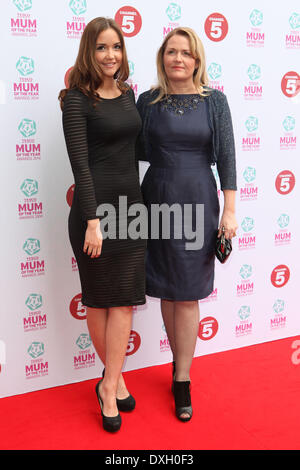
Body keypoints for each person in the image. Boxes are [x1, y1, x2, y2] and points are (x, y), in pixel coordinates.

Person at [136, 27, 238, 422]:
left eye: (186, 53)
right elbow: (131, 150)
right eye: (171, 52)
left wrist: (229, 211)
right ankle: (178, 364)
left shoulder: (215, 102)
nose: (178, 59)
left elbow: (227, 158)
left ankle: (182, 377)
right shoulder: (147, 102)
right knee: (166, 285)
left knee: (190, 291)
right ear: (163, 57)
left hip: (199, 198)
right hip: (157, 197)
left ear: (197, 60)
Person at [59, 17, 146, 433]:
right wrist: (93, 220)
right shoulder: (76, 100)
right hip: (96, 214)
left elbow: (132, 155)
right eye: (101, 48)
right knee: (99, 300)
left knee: (125, 301)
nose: (110, 55)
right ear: (88, 52)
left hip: (132, 211)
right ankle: (113, 385)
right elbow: (81, 165)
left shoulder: (128, 93)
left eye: (116, 47)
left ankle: (109, 383)